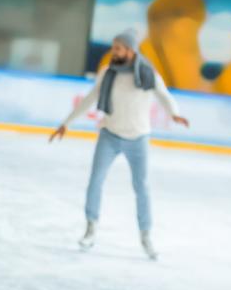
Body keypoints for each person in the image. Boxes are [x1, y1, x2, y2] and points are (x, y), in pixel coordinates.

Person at [49, 30, 189, 260]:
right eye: (113, 47)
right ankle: (90, 228)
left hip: (138, 138)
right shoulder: (107, 73)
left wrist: (174, 114)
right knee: (95, 180)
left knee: (141, 187)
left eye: (118, 48)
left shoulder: (148, 74)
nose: (113, 52)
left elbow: (164, 96)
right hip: (110, 135)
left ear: (130, 51)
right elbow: (89, 99)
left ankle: (146, 236)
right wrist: (66, 123)